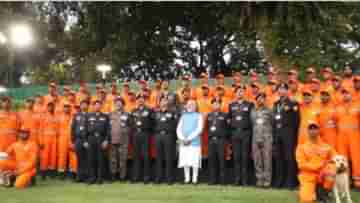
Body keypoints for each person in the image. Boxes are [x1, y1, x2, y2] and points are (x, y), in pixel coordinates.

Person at [296, 123, 336, 203]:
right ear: (307, 131)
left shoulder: (327, 146)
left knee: (332, 170)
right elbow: (301, 165)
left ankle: (324, 193)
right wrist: (317, 166)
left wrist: (326, 167)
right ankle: (309, 191)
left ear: (319, 130)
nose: (313, 131)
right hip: (308, 176)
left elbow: (336, 159)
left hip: (323, 174)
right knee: (306, 200)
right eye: (311, 129)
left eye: (315, 128)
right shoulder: (301, 147)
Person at [273, 83, 300, 189]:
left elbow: (296, 120)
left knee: (289, 158)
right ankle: (279, 181)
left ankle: (290, 182)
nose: (281, 91)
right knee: (279, 158)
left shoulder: (293, 103)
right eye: (279, 89)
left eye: (283, 89)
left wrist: (292, 134)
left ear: (287, 91)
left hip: (288, 133)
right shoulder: (276, 104)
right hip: (278, 133)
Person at [228, 85, 254, 185]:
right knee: (236, 157)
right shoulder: (231, 105)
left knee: (245, 157)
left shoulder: (250, 104)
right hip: (235, 133)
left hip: (245, 133)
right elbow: (229, 119)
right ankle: (237, 180)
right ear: (235, 93)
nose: (240, 93)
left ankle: (245, 180)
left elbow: (251, 121)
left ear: (244, 93)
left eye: (242, 91)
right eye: (238, 91)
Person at [335, 88, 360, 188]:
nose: (345, 95)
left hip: (355, 136)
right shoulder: (338, 107)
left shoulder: (358, 105)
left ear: (351, 94)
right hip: (341, 137)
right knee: (343, 160)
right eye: (343, 93)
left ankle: (357, 181)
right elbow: (334, 121)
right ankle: (346, 181)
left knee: (356, 158)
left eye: (347, 93)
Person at [177, 100, 204, 184]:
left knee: (194, 161)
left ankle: (195, 179)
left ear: (196, 106)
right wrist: (182, 138)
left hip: (194, 142)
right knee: (185, 161)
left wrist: (189, 139)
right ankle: (187, 179)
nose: (190, 106)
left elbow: (199, 129)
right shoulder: (183, 116)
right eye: (188, 104)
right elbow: (178, 129)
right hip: (183, 142)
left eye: (192, 104)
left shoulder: (199, 116)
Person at [154, 96, 179, 184]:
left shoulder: (173, 113)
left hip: (169, 136)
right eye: (162, 101)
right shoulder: (156, 113)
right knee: (159, 158)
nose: (164, 102)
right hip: (158, 136)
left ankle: (169, 179)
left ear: (168, 103)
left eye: (165, 101)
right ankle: (158, 178)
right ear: (159, 103)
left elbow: (176, 125)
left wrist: (175, 138)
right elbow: (152, 125)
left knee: (169, 158)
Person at [250, 93, 273, 188]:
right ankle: (259, 180)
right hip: (255, 138)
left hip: (266, 138)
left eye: (262, 98)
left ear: (265, 100)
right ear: (256, 100)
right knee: (257, 160)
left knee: (267, 160)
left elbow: (272, 123)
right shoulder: (253, 111)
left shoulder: (269, 111)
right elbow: (252, 123)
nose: (260, 100)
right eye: (258, 98)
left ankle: (267, 181)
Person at [86, 100, 111, 184]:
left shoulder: (105, 116)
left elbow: (108, 130)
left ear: (101, 106)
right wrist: (85, 141)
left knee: (100, 160)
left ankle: (100, 178)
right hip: (91, 139)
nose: (97, 106)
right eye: (96, 105)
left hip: (101, 139)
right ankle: (92, 178)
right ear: (93, 106)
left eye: (99, 105)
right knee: (91, 159)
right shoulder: (88, 116)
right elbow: (85, 130)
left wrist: (106, 140)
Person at [131, 94, 154, 183]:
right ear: (137, 101)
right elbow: (130, 122)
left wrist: (149, 132)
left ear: (144, 100)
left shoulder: (149, 110)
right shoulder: (133, 111)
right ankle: (136, 177)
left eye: (142, 99)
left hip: (145, 134)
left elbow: (153, 122)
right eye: (139, 99)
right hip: (136, 134)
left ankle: (146, 177)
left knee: (146, 156)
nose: (140, 101)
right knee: (136, 156)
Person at [109, 97, 132, 181]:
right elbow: (108, 127)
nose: (118, 104)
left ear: (123, 104)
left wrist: (125, 132)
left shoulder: (127, 114)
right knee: (113, 159)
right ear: (115, 104)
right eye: (117, 103)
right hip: (113, 140)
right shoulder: (111, 114)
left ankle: (122, 176)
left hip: (123, 140)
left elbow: (130, 126)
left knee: (123, 159)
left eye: (120, 103)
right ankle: (113, 175)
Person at [207, 98, 229, 185]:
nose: (216, 105)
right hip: (211, 140)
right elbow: (207, 128)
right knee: (212, 161)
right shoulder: (209, 115)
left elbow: (228, 128)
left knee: (221, 160)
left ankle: (223, 181)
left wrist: (224, 136)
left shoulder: (225, 115)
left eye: (218, 103)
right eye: (214, 103)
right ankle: (213, 180)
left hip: (221, 140)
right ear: (212, 105)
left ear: (220, 105)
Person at [39, 102, 59, 179]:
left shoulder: (56, 117)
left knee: (53, 156)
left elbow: (57, 129)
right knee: (44, 156)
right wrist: (41, 141)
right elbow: (40, 130)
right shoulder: (43, 117)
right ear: (47, 108)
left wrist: (56, 139)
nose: (51, 108)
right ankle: (43, 173)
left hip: (54, 139)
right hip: (45, 138)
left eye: (52, 107)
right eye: (49, 107)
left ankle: (52, 173)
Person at [71, 100, 89, 182]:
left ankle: (86, 177)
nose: (84, 106)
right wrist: (73, 141)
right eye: (82, 104)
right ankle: (79, 177)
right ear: (80, 106)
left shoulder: (90, 115)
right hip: (78, 140)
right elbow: (72, 128)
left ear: (87, 106)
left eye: (85, 104)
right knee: (79, 159)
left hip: (87, 141)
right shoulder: (76, 115)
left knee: (87, 159)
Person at [57, 103, 73, 179]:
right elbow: (56, 129)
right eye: (65, 107)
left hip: (70, 138)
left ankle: (71, 173)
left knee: (72, 155)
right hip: (62, 138)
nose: (66, 109)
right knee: (62, 156)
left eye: (68, 107)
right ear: (63, 109)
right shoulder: (59, 117)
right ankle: (61, 173)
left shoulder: (72, 117)